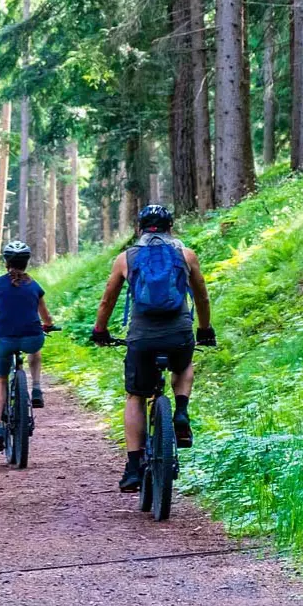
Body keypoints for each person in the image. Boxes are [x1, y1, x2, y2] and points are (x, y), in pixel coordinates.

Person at [90, 205, 215, 492]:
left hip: (142, 338)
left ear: (140, 228)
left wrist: (100, 331)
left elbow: (107, 301)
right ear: (171, 227)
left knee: (135, 395)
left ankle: (133, 467)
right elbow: (202, 297)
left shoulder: (126, 258)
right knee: (183, 365)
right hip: (179, 333)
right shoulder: (186, 255)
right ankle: (181, 411)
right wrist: (205, 329)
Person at [0, 241, 55, 452]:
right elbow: (45, 314)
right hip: (32, 337)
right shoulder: (34, 286)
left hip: (4, 338)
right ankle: (35, 387)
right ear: (27, 262)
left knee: (0, 379)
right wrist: (49, 325)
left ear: (6, 262)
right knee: (35, 348)